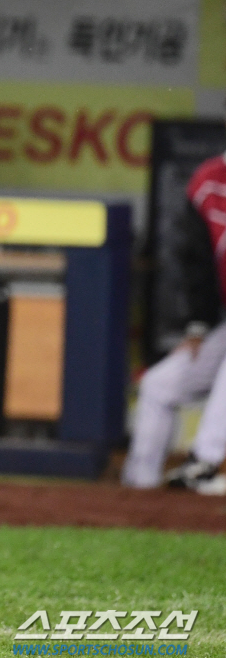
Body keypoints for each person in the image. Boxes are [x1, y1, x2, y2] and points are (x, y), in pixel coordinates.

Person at [122, 151, 226, 494]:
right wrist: (198, 326)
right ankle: (142, 488)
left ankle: (206, 462)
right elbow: (196, 261)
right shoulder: (208, 180)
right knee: (158, 386)